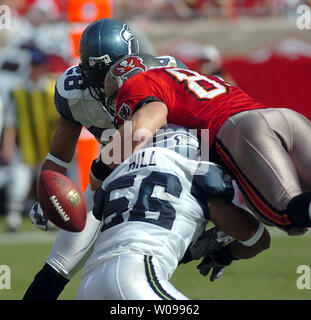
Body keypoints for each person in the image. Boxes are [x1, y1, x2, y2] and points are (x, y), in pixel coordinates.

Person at [23, 18, 187, 300]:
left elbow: (202, 133)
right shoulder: (74, 92)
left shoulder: (166, 73)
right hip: (110, 175)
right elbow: (58, 157)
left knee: (141, 264)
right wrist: (46, 196)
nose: (107, 87)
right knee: (58, 265)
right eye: (97, 79)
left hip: (165, 176)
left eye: (111, 75)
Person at [90, 52, 311, 239]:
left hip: (242, 130)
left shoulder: (139, 83)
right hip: (284, 117)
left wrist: (100, 167)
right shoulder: (186, 77)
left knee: (288, 215)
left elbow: (140, 130)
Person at [77, 125, 270, 300]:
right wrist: (225, 255)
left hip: (89, 282)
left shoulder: (116, 176)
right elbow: (257, 238)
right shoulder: (191, 172)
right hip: (135, 273)